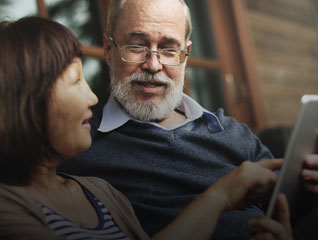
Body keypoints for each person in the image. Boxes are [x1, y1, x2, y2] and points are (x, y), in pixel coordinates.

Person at [58, 0, 318, 239]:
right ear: (107, 49)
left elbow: (289, 208)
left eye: (168, 48)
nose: (153, 64)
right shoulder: (82, 146)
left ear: (186, 54)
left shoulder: (230, 131)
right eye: (136, 46)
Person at [0, 16, 294, 240]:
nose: (92, 97)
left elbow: (294, 197)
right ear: (25, 101)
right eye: (136, 46)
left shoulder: (99, 192)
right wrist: (220, 197)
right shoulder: (12, 208)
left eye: (168, 49)